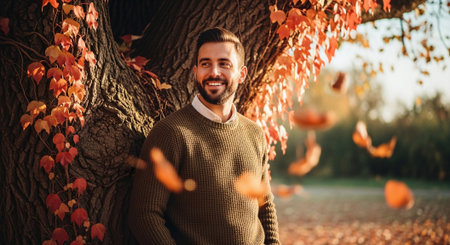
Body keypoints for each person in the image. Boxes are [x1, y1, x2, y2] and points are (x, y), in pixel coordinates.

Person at [128, 27, 280, 245]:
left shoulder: (254, 133)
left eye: (224, 64)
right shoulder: (171, 133)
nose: (214, 72)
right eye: (206, 63)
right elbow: (144, 216)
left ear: (242, 74)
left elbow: (265, 205)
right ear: (196, 71)